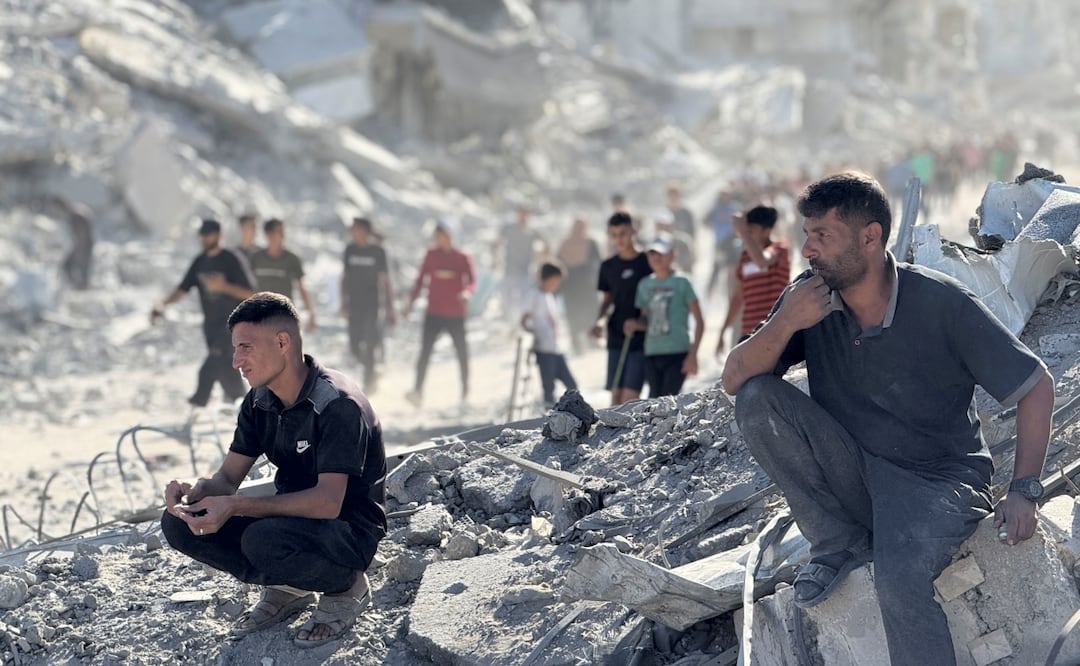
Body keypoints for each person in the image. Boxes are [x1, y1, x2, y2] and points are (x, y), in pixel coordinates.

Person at [720, 171, 1053, 666]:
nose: (808, 249)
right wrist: (787, 321)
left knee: (899, 580)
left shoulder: (941, 302)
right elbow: (734, 380)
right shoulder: (810, 299)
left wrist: (1024, 489)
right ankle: (837, 544)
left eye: (822, 236)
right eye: (806, 234)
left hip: (940, 483)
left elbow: (1036, 386)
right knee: (757, 400)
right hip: (858, 473)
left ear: (870, 237)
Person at [160, 292, 386, 648]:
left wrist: (236, 506)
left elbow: (328, 503)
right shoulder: (259, 400)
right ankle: (289, 586)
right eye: (235, 349)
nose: (236, 361)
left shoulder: (337, 405)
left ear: (282, 342)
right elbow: (228, 480)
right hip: (292, 523)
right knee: (177, 523)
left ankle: (346, 589)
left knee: (262, 539)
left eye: (245, 347)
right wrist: (196, 493)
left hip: (347, 530)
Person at [151, 219, 255, 407]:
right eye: (202, 235)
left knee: (212, 363)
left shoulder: (231, 258)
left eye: (208, 235)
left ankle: (198, 402)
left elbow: (250, 293)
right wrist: (161, 304)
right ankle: (244, 407)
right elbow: (182, 289)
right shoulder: (200, 262)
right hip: (211, 326)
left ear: (219, 235)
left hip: (234, 323)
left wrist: (223, 286)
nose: (204, 239)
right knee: (225, 367)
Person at [403, 218, 476, 406]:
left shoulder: (462, 257)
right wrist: (411, 302)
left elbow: (472, 281)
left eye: (442, 235)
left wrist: (467, 293)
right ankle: (417, 391)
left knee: (461, 352)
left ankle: (465, 390)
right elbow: (421, 279)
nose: (439, 239)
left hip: (455, 314)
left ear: (450, 236)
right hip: (433, 312)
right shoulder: (431, 255)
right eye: (437, 236)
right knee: (425, 352)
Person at [626, 233, 704, 397]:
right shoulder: (644, 284)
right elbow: (645, 319)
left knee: (668, 400)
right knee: (654, 399)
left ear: (672, 255)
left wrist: (693, 355)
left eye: (661, 253)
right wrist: (635, 324)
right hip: (652, 352)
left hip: (677, 353)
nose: (656, 257)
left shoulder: (683, 282)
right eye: (652, 253)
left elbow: (699, 321)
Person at [591, 212, 652, 406]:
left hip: (642, 336)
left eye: (623, 233)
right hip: (616, 334)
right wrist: (599, 322)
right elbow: (608, 299)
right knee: (615, 399)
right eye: (614, 234)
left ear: (633, 231)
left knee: (629, 399)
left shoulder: (648, 262)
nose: (619, 239)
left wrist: (642, 322)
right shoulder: (608, 266)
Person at [717, 205, 791, 355]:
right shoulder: (745, 256)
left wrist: (743, 232)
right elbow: (738, 297)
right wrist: (723, 330)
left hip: (775, 328)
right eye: (747, 230)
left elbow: (762, 260)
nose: (748, 234)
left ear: (767, 230)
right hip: (749, 331)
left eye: (752, 230)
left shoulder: (779, 248)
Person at [341, 217, 396, 393]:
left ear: (364, 230)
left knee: (371, 344)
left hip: (372, 305)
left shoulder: (378, 252)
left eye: (355, 228)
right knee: (354, 345)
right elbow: (345, 277)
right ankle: (373, 370)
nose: (352, 232)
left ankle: (369, 382)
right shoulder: (349, 250)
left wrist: (390, 307)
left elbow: (385, 281)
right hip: (354, 305)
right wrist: (344, 301)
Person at [522, 262, 578, 408]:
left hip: (554, 347)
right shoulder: (534, 295)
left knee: (571, 384)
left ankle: (574, 411)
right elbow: (525, 319)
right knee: (548, 387)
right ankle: (550, 415)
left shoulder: (549, 296)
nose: (557, 284)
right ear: (549, 278)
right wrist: (531, 338)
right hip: (544, 349)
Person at [249, 218, 317, 331]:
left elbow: (301, 288)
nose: (283, 235)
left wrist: (311, 313)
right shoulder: (256, 258)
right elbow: (248, 286)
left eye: (283, 231)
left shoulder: (292, 259)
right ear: (268, 234)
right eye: (279, 231)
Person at [555, 218, 601, 354]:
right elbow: (558, 263)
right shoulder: (565, 243)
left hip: (587, 286)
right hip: (571, 286)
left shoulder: (591, 243)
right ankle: (576, 344)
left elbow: (597, 262)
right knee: (572, 316)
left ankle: (592, 340)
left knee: (590, 314)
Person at [495, 205, 546, 321]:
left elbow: (544, 246)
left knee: (524, 300)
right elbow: (497, 242)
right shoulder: (509, 228)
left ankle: (520, 322)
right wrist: (496, 260)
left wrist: (539, 261)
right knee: (507, 299)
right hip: (509, 269)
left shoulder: (532, 232)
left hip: (525, 271)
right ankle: (508, 321)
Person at [704, 189, 739, 299]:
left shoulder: (733, 208)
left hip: (731, 243)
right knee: (717, 267)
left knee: (732, 268)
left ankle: (730, 293)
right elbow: (705, 221)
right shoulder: (715, 209)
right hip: (719, 242)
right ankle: (709, 293)